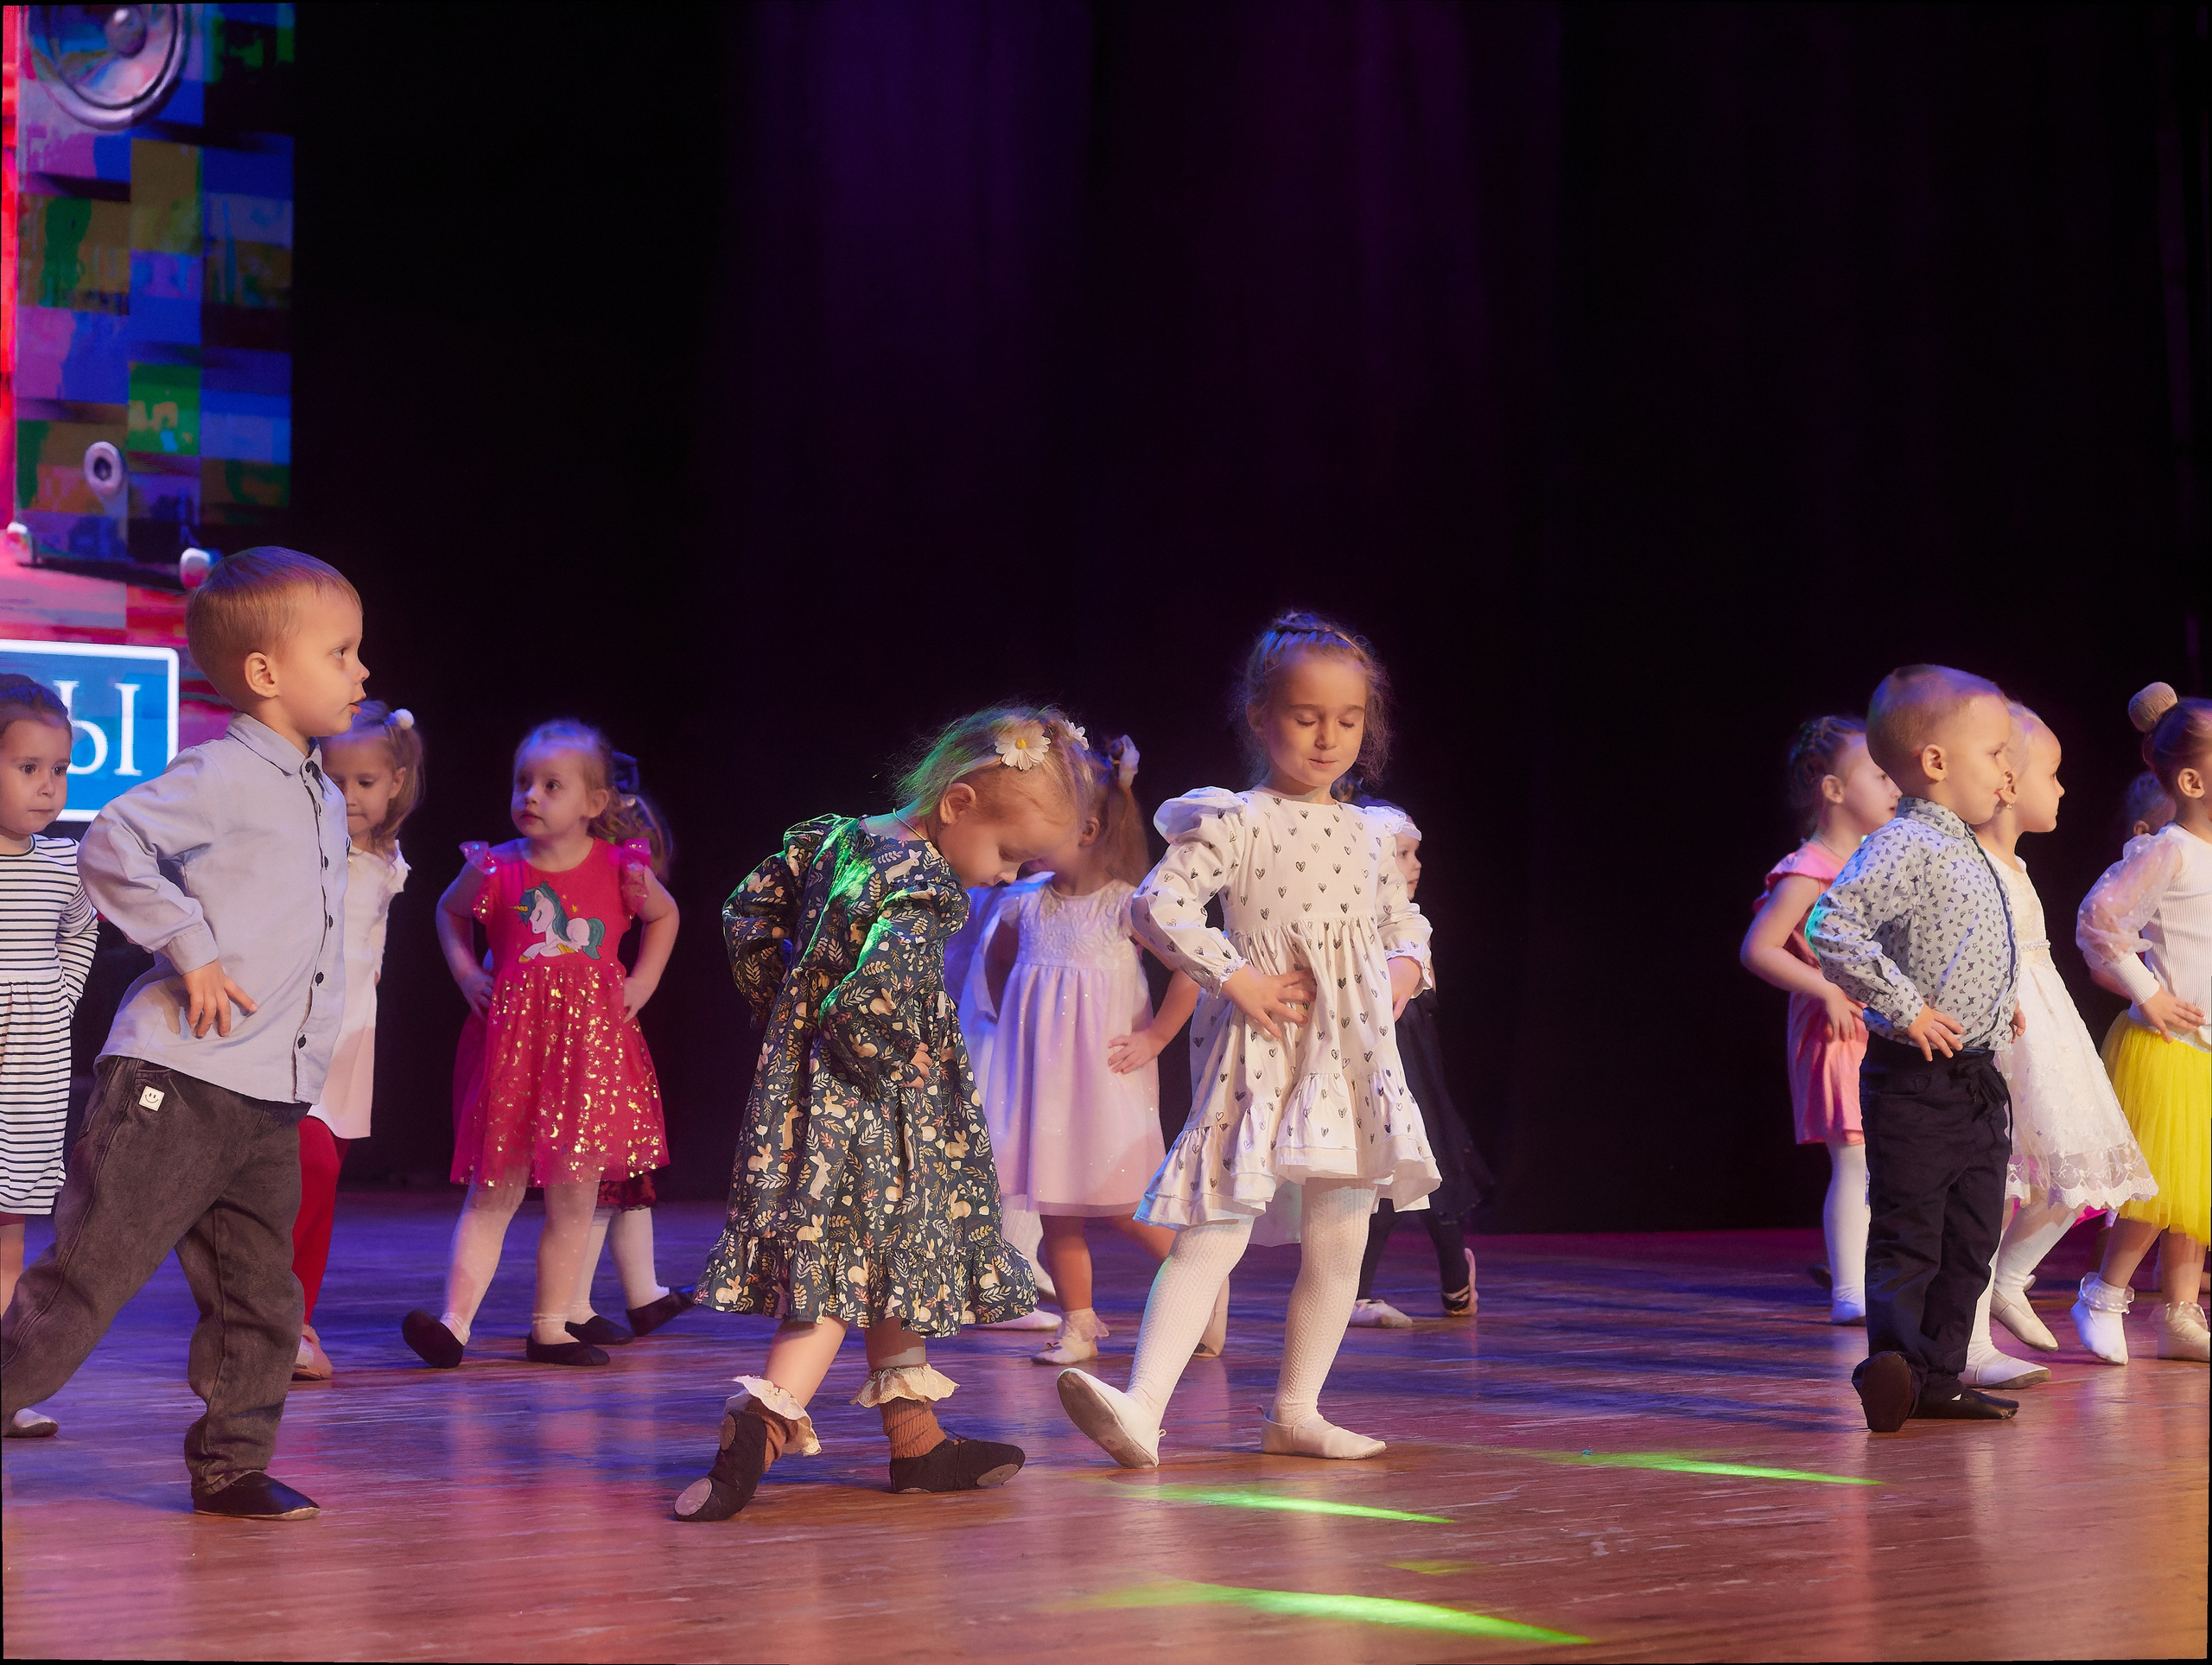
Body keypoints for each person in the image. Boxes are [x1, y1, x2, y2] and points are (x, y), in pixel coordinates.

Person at [1, 548, 362, 1518]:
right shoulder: (223, 772)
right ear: (266, 673)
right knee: (89, 1278)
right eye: (341, 652)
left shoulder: (324, 795)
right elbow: (112, 841)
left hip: (265, 1098)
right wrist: (190, 944)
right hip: (176, 1082)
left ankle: (232, 1466)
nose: (361, 672)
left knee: (263, 1297)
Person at [674, 706, 1082, 1522]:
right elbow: (871, 1000)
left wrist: (782, 1004)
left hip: (810, 1090)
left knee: (893, 1251)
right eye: (1006, 855)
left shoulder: (835, 836)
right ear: (958, 804)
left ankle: (917, 1442)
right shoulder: (927, 885)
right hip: (874, 1104)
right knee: (845, 1261)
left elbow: (745, 913)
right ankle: (765, 1418)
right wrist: (901, 1057)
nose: (1005, 876)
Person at [1057, 611, 1435, 1469]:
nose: (1328, 735)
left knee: (1340, 1236)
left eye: (1348, 719)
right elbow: (1154, 907)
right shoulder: (1236, 820)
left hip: (1347, 1055)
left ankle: (1295, 1410)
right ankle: (1141, 1407)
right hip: (1262, 1048)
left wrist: (1403, 970)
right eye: (1306, 716)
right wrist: (1237, 978)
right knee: (1214, 1224)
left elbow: (1401, 918)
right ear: (1262, 716)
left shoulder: (1375, 831)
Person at [399, 721, 677, 1369]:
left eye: (552, 785)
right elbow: (448, 911)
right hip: (516, 1058)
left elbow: (666, 916)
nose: (531, 795)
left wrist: (643, 979)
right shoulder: (495, 866)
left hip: (589, 1060)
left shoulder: (620, 869)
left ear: (593, 803)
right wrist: (468, 971)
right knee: (493, 1191)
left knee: (575, 1194)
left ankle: (550, 1325)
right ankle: (453, 1324)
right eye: (524, 782)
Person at [1807, 664, 2024, 1433]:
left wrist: (2003, 1007)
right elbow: (1832, 925)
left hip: (1972, 1079)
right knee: (1911, 1230)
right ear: (1935, 762)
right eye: (1997, 752)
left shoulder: (1964, 845)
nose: (2009, 771)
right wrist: (1905, 1007)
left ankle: (1937, 1374)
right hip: (1916, 1080)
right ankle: (1892, 1368)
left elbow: (1967, 945)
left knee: (1971, 1235)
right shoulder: (1905, 840)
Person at [982, 734, 1206, 1366]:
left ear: (1085, 827)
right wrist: (1017, 1027)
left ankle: (1200, 1288)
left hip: (1106, 1078)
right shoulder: (1021, 905)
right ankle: (1078, 1325)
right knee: (1055, 1208)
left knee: (1122, 1205)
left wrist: (1156, 1035)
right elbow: (1000, 966)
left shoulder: (1125, 906)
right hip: (1043, 1085)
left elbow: (1190, 967)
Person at [1961, 705, 2156, 1389]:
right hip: (2008, 1033)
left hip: (2052, 1031)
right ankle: (1971, 1335)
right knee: (2001, 1186)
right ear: (2009, 783)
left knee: (2075, 1177)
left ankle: (2012, 1277)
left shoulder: (2016, 863)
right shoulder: (1974, 863)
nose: (2064, 788)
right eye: (2053, 773)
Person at [1740, 716, 1899, 1326]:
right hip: (1835, 1029)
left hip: (1879, 1025)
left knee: (1888, 1157)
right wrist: (1826, 985)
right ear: (1833, 789)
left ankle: (1874, 1274)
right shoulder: (1809, 867)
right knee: (1855, 1158)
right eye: (1879, 774)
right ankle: (1850, 1291)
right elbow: (1760, 948)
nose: (1893, 787)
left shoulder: (1879, 861)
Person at [2071, 682, 2210, 1365]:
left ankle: (2182, 1314)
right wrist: (2146, 991)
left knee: (2198, 1190)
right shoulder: (2172, 849)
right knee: (2159, 1191)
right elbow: (2100, 920)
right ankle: (2102, 1293)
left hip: (2207, 1049)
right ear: (2191, 778)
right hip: (2167, 1043)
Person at [289, 702, 423, 1381]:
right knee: (307, 1168)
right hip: (297, 1028)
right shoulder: (312, 843)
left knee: (324, 1177)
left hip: (352, 1037)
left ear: (396, 781)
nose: (349, 795)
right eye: (333, 778)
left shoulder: (386, 853)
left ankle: (293, 1321)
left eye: (365, 781)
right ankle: (273, 1318)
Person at [1348, 802, 1492, 1326]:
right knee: (1379, 1179)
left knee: (1435, 1169)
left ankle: (1456, 1282)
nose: (1417, 865)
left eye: (1416, 854)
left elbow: (1419, 1001)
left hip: (1412, 1061)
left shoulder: (1411, 930)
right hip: (1371, 1058)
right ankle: (1357, 1293)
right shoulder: (1354, 925)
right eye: (1404, 855)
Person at [0, 677, 99, 1438]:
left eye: (60, 769)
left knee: (10, 1227)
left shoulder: (64, 863)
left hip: (32, 1065)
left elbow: (82, 930)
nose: (48, 786)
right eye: (28, 767)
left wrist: (57, 996)